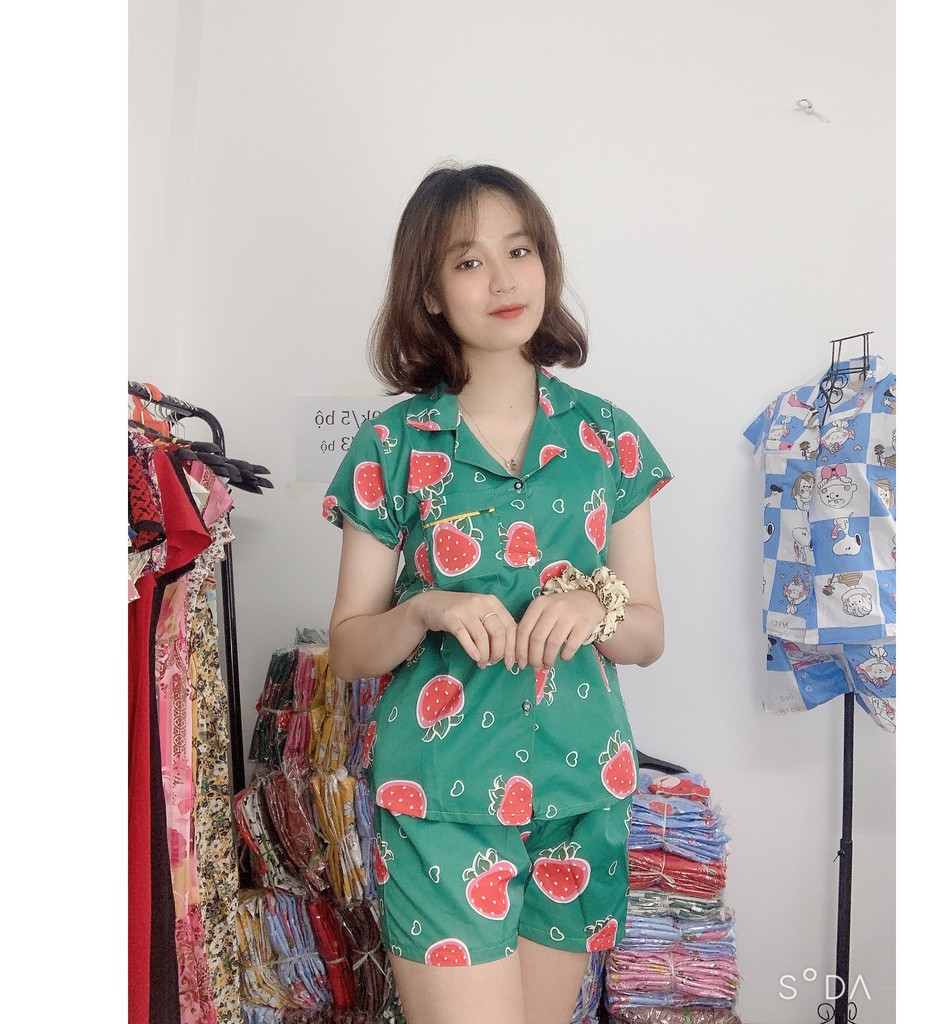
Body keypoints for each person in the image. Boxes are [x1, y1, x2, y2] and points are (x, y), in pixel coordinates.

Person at [323, 163, 673, 1024]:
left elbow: (648, 634)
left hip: (580, 793)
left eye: (520, 251)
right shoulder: (392, 445)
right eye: (469, 261)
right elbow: (349, 649)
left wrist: (596, 607)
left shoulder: (610, 439)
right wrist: (423, 608)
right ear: (431, 292)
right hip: (441, 800)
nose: (504, 279)